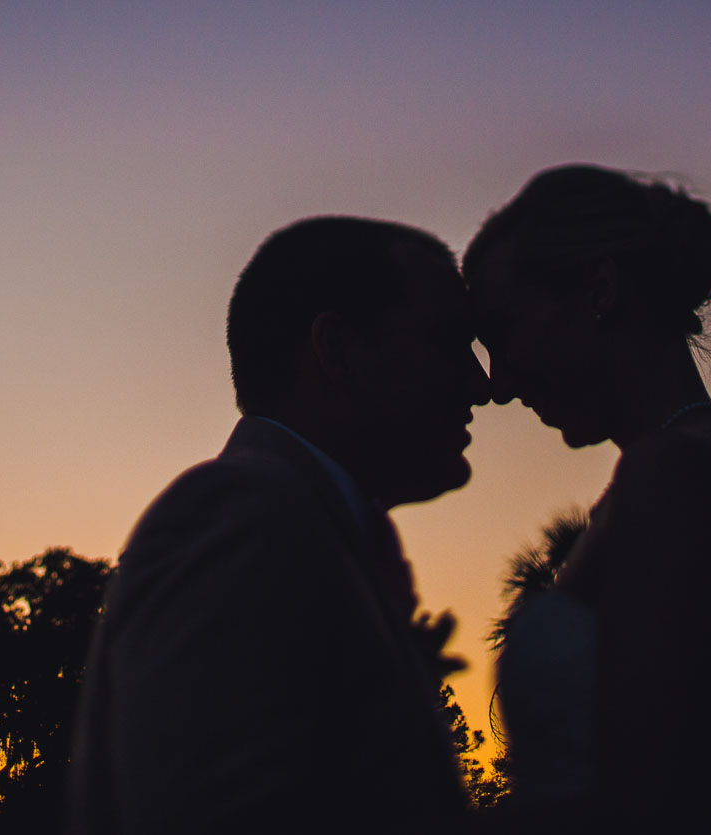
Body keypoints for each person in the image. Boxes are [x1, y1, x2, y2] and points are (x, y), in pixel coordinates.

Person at [69, 216, 490, 835]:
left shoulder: (306, 529)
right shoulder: (238, 515)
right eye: (450, 344)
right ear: (338, 349)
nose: (482, 386)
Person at [466, 164, 711, 833]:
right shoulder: (675, 465)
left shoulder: (678, 473)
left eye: (502, 331)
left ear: (600, 290)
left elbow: (644, 802)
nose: (496, 384)